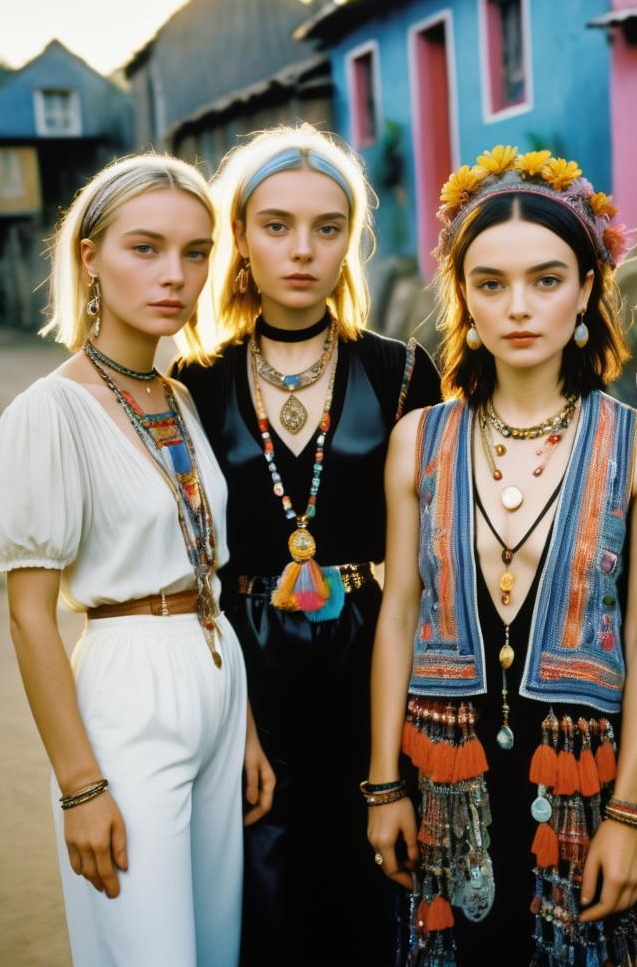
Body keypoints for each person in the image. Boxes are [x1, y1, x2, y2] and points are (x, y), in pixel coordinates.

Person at [366, 146, 637, 966]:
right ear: (463, 296)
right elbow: (398, 613)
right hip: (443, 768)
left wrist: (632, 810)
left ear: (585, 290)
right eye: (491, 283)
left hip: (584, 775)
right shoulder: (417, 441)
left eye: (546, 279)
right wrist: (383, 785)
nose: (519, 307)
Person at [0, 154, 273, 967]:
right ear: (89, 257)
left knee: (215, 948)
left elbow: (204, 574)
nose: (174, 275)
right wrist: (81, 786)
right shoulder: (52, 412)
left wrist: (240, 726)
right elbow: (28, 614)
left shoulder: (178, 395)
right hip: (128, 689)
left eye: (195, 251)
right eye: (144, 248)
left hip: (216, 682)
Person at [174, 125, 441, 966]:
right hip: (242, 664)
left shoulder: (403, 372)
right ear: (240, 238)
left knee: (372, 881)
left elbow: (433, 553)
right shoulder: (194, 377)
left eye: (328, 227)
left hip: (372, 653)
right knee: (262, 884)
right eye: (276, 225)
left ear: (350, 240)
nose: (302, 249)